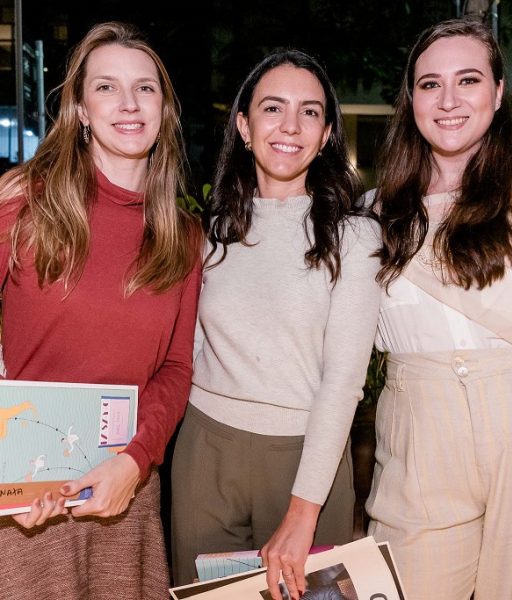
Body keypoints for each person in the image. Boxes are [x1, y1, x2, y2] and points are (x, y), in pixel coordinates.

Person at [366, 18, 512, 600]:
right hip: (416, 434)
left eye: (468, 80)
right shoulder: (373, 216)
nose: (448, 101)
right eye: (429, 84)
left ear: (497, 94)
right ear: (411, 99)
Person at [0, 21, 202, 600]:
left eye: (145, 88)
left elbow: (176, 368)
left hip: (124, 493)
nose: (129, 104)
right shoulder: (24, 202)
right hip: (24, 497)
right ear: (81, 110)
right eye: (107, 87)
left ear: (165, 110)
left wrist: (135, 463)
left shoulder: (182, 236)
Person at [170, 49, 381, 600]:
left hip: (309, 458)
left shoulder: (355, 239)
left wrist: (304, 510)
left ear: (327, 131)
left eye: (310, 112)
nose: (290, 126)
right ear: (243, 125)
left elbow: (343, 382)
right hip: (205, 452)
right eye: (272, 108)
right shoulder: (209, 232)